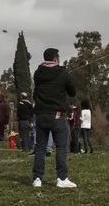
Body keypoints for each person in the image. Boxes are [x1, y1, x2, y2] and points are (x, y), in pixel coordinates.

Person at [31, 47, 77, 189]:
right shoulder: (63, 73)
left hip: (41, 114)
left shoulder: (38, 73)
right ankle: (61, 178)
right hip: (57, 114)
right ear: (56, 59)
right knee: (61, 147)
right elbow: (72, 92)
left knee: (40, 147)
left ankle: (37, 178)